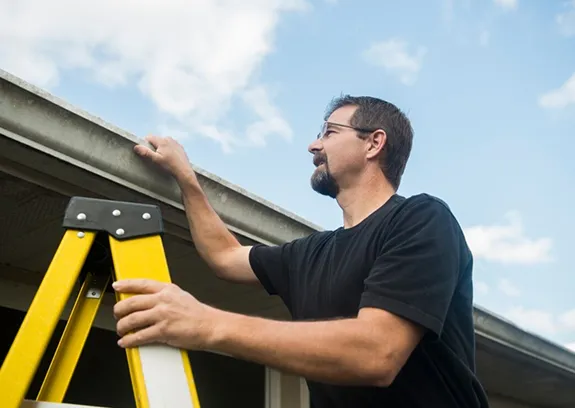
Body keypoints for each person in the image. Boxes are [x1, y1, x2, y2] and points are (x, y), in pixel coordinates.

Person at [112, 95, 490, 407]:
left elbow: (377, 353)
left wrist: (207, 324)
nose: (313, 144)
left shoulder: (420, 219)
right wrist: (186, 179)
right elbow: (225, 257)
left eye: (329, 132)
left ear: (374, 143)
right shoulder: (310, 253)